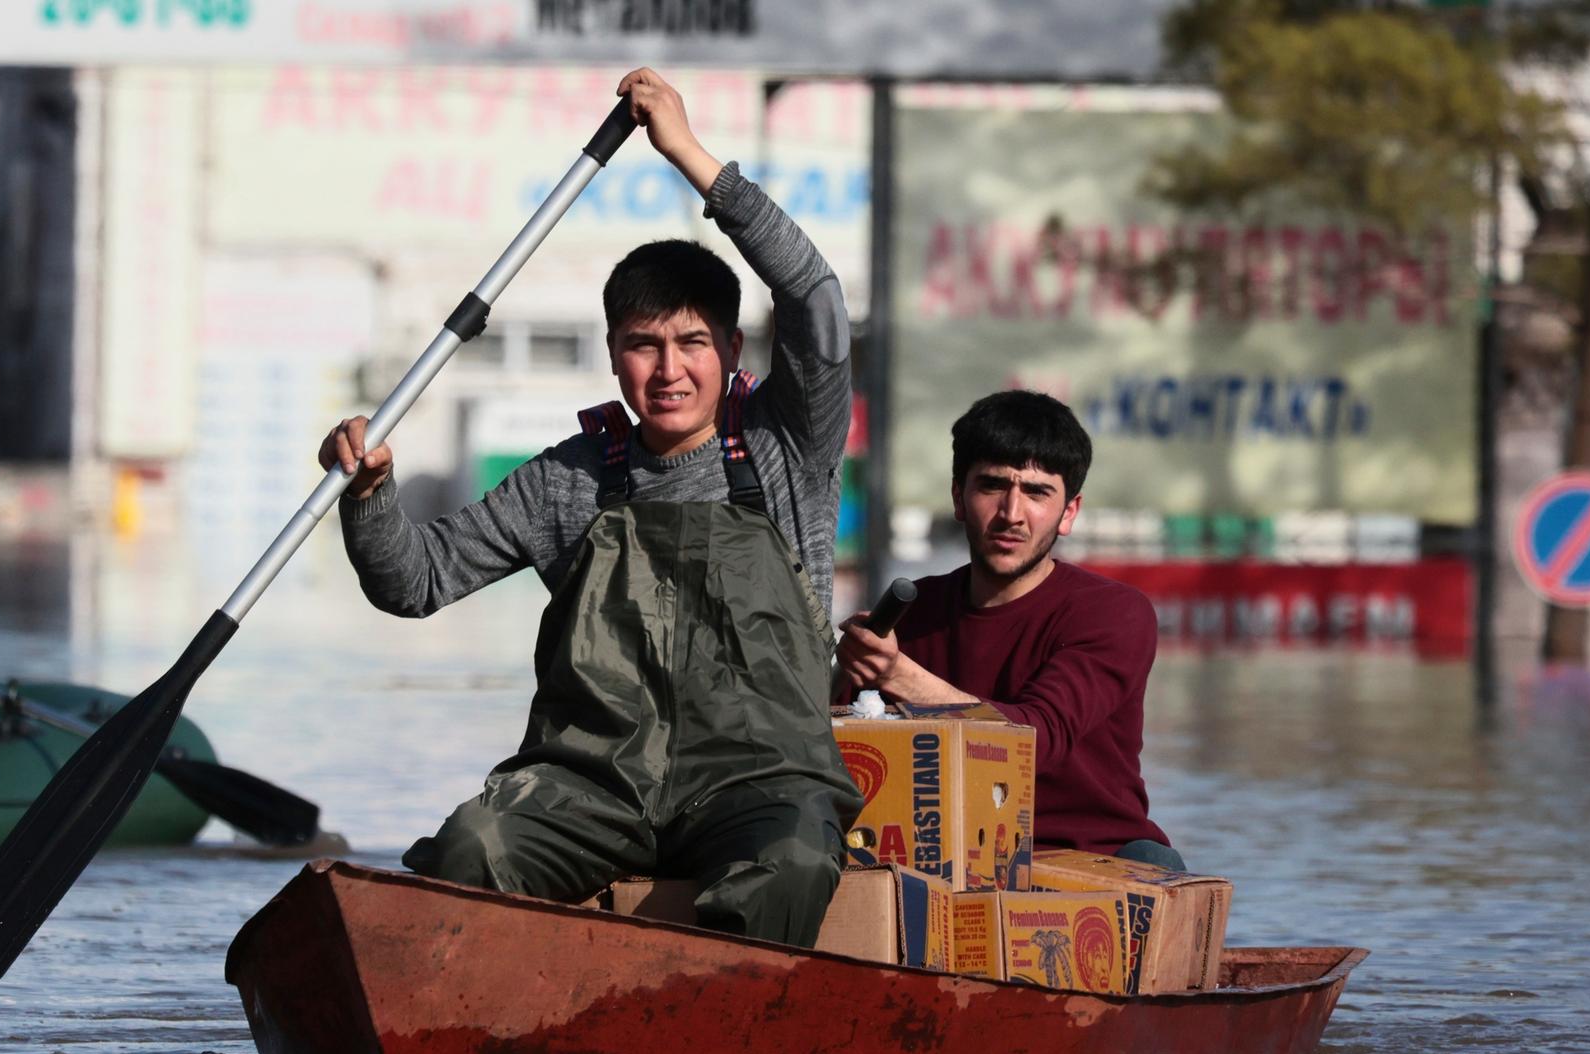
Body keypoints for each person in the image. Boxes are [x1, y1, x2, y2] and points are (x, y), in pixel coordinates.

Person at [319, 68, 861, 945]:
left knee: (794, 858)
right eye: (643, 347)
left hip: (760, 783)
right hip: (595, 787)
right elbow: (413, 584)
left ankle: (723, 1048)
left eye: (692, 343)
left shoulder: (786, 443)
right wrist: (371, 495)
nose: (669, 370)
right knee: (475, 844)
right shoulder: (569, 479)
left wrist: (686, 154)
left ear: (730, 349)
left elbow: (816, 300)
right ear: (614, 357)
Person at [832, 390, 1183, 868]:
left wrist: (898, 676)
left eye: (1037, 492)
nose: (1012, 513)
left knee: (1155, 863)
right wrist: (844, 675)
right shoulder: (910, 612)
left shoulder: (1115, 612)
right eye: (992, 486)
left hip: (1089, 859)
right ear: (958, 497)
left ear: (1069, 513)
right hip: (941, 856)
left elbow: (1036, 741)